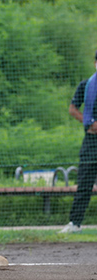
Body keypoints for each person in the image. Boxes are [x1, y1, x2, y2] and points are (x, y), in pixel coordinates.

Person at [59, 50, 97, 234]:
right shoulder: (87, 85)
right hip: (91, 141)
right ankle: (75, 223)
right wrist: (90, 122)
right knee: (84, 184)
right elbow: (72, 109)